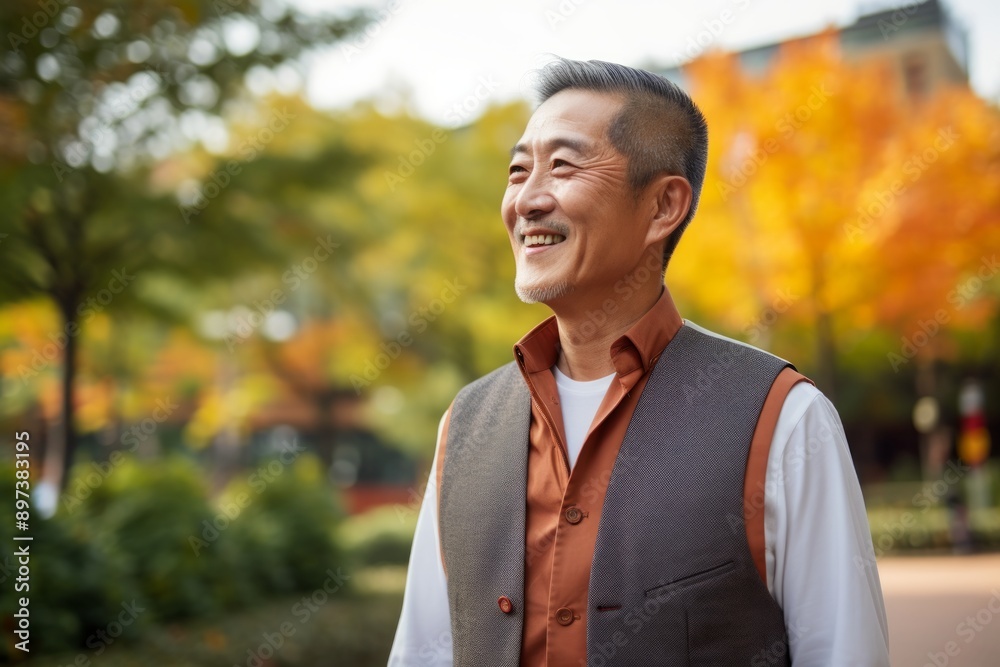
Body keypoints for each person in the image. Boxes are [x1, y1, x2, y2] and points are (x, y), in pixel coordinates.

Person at [388, 57, 889, 666]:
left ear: (662, 208)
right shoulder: (464, 428)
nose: (527, 199)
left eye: (563, 166)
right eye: (518, 170)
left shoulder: (783, 419)